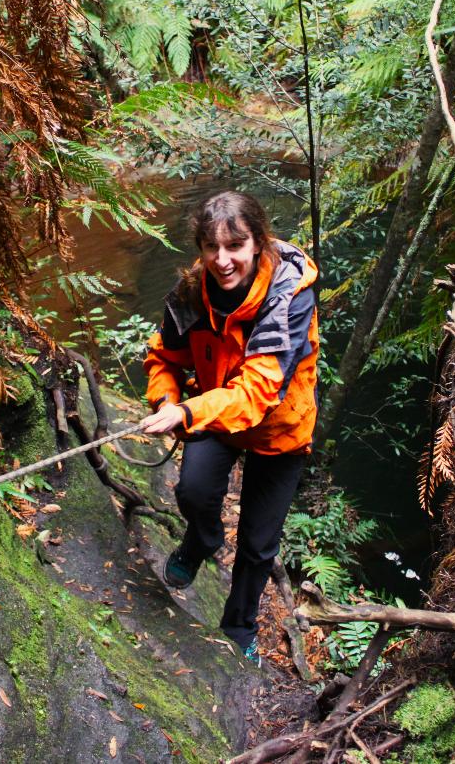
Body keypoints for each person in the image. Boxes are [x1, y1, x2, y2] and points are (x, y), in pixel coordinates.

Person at [140, 191, 319, 665]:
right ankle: (200, 540)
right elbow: (165, 357)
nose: (222, 260)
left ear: (258, 242)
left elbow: (260, 389)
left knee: (259, 543)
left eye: (235, 246)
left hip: (279, 429)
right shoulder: (192, 293)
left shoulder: (288, 299)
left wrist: (189, 413)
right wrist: (167, 400)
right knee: (194, 491)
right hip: (217, 411)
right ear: (200, 248)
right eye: (211, 247)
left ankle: (238, 626)